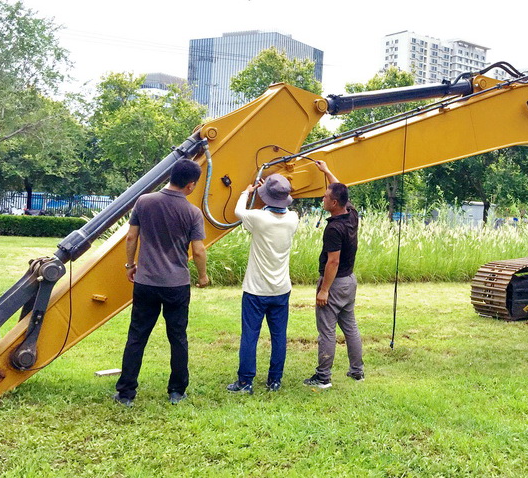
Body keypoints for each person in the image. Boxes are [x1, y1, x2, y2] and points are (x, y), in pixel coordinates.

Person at [113, 158, 210, 406]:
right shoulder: (192, 212)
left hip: (146, 282)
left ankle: (126, 393)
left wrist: (130, 265)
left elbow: (131, 237)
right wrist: (202, 276)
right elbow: (198, 250)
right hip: (176, 285)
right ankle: (177, 391)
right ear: (190, 185)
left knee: (137, 336)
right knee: (177, 337)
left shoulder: (144, 201)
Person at [226, 174, 299, 394]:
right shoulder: (293, 219)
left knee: (250, 335)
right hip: (281, 289)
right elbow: (281, 208)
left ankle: (245, 382)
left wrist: (247, 192)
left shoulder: (258, 218)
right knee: (279, 336)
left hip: (256, 290)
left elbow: (238, 212)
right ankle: (274, 381)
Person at [303, 161, 364, 389]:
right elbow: (341, 189)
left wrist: (324, 290)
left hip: (335, 283)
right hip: (350, 282)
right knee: (350, 327)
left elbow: (333, 261)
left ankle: (323, 378)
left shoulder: (333, 229)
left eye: (325, 197)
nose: (323, 198)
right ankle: (357, 371)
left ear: (334, 203)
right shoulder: (352, 215)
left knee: (327, 331)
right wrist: (327, 171)